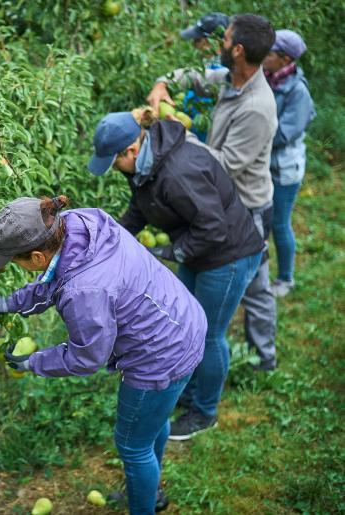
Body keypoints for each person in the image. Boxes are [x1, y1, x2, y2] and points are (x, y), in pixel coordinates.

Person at [0, 196, 206, 515]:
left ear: (38, 256)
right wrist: (10, 302)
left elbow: (87, 357)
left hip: (160, 353)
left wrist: (33, 363)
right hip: (181, 319)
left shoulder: (84, 293)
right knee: (151, 424)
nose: (17, 265)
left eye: (15, 260)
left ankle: (144, 505)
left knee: (132, 446)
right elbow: (57, 278)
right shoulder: (82, 224)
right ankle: (150, 493)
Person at [87, 110, 264, 441]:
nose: (112, 168)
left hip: (229, 256)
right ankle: (190, 392)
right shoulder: (146, 167)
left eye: (113, 161)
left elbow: (214, 228)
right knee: (186, 327)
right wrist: (108, 242)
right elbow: (139, 209)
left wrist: (169, 254)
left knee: (210, 334)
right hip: (201, 251)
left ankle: (205, 412)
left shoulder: (177, 173)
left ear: (131, 150)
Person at [148, 14, 279, 382]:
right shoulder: (232, 80)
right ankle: (251, 354)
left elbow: (222, 167)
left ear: (237, 50)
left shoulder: (257, 108)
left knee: (254, 286)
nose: (220, 43)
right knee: (245, 284)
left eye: (226, 40)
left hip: (248, 208)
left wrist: (174, 134)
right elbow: (193, 76)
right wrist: (162, 85)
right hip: (222, 203)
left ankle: (264, 359)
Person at [263, 30, 315, 297]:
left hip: (284, 169)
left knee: (279, 224)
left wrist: (250, 131)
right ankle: (257, 275)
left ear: (284, 59)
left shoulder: (298, 92)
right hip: (263, 164)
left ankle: (285, 279)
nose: (263, 56)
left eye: (269, 53)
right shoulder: (268, 79)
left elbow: (283, 134)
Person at [178, 12, 231, 142]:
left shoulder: (221, 76)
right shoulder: (206, 68)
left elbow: (202, 120)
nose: (194, 45)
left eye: (197, 40)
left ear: (211, 42)